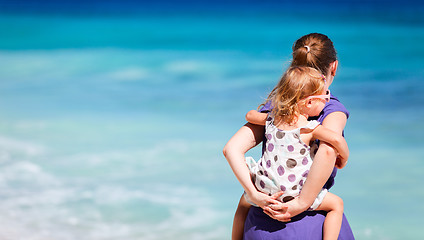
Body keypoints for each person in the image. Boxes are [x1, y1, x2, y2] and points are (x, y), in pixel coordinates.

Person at [223, 33, 355, 239]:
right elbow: (329, 151)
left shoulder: (275, 110)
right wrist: (301, 203)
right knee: (336, 205)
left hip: (260, 216)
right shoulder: (331, 110)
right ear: (334, 67)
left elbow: (232, 147)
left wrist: (254, 194)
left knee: (243, 201)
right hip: (308, 222)